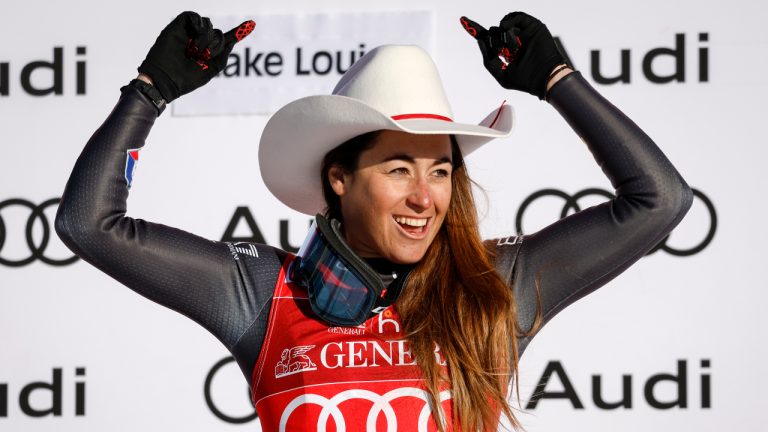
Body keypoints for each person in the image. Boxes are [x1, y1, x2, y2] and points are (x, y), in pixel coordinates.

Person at [55, 10, 692, 432]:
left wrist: (558, 80)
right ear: (340, 178)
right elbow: (90, 224)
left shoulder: (496, 285)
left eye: (441, 171)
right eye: (398, 170)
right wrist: (147, 93)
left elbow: (660, 199)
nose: (426, 198)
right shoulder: (258, 294)